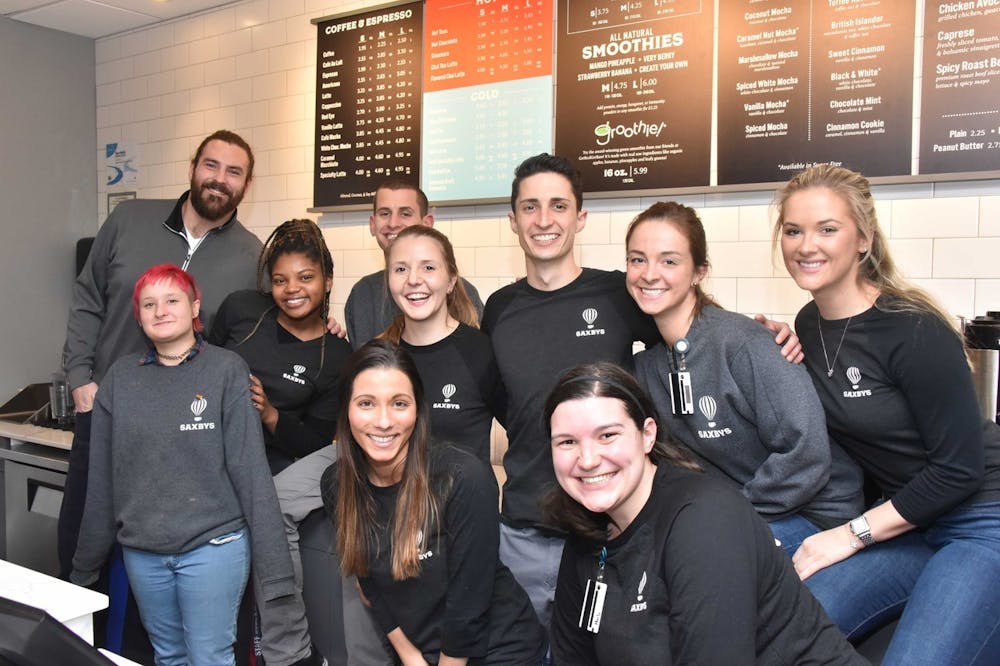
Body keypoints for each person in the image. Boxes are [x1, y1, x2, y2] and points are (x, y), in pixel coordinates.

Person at [481, 153, 803, 635]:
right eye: (530, 207)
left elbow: (689, 331)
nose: (544, 220)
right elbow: (509, 405)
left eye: (558, 205)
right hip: (524, 527)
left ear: (580, 217)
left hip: (611, 528)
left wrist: (768, 333)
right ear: (513, 220)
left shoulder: (619, 293)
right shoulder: (499, 308)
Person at [775, 164, 1000, 664]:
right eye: (793, 230)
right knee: (788, 636)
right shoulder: (808, 324)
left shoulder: (913, 328)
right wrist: (769, 345)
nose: (806, 245)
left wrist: (850, 535)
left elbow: (959, 469)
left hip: (984, 517)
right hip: (913, 524)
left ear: (863, 239)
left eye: (827, 229)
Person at [544, 362, 865, 665]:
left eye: (607, 435)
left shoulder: (704, 520)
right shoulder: (586, 530)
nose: (587, 460)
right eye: (567, 442)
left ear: (648, 434)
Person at [59, 129, 262, 578]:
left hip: (183, 437)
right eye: (211, 165)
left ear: (247, 185)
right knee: (81, 546)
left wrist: (323, 326)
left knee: (154, 565)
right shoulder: (129, 220)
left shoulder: (252, 257)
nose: (220, 179)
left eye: (234, 172)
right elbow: (87, 298)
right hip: (104, 411)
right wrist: (79, 378)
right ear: (192, 168)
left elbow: (272, 325)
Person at [70, 264, 294, 666]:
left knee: (209, 657)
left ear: (194, 307)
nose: (160, 311)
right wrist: (83, 569)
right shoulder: (119, 380)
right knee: (168, 656)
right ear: (138, 316)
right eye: (149, 304)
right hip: (143, 552)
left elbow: (251, 473)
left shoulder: (226, 370)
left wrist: (276, 572)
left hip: (214, 547)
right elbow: (101, 481)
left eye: (171, 300)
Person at [627, 201, 863, 556]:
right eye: (637, 259)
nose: (649, 274)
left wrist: (725, 515)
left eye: (669, 261)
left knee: (702, 558)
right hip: (742, 511)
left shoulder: (744, 344)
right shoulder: (649, 367)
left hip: (817, 516)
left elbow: (806, 455)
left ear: (699, 272)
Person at [319, 340, 547, 665]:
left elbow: (469, 600)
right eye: (366, 403)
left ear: (418, 410)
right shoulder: (336, 485)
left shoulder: (463, 477)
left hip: (500, 650)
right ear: (346, 410)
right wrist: (409, 656)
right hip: (423, 652)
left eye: (399, 404)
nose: (383, 421)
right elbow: (368, 583)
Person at [209, 218, 353, 474]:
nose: (292, 289)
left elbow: (316, 442)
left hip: (268, 465)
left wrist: (269, 413)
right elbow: (202, 366)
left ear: (328, 281)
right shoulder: (241, 307)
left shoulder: (337, 355)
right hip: (206, 441)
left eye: (305, 277)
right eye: (280, 280)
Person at [379, 224, 506, 464]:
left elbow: (522, 430)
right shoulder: (378, 355)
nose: (413, 280)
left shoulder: (481, 352)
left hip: (466, 489)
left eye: (428, 267)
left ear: (451, 280)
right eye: (401, 269)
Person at [344, 179, 483, 349]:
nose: (393, 223)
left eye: (405, 213)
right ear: (373, 225)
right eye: (385, 213)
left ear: (427, 224)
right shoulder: (362, 293)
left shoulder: (464, 292)